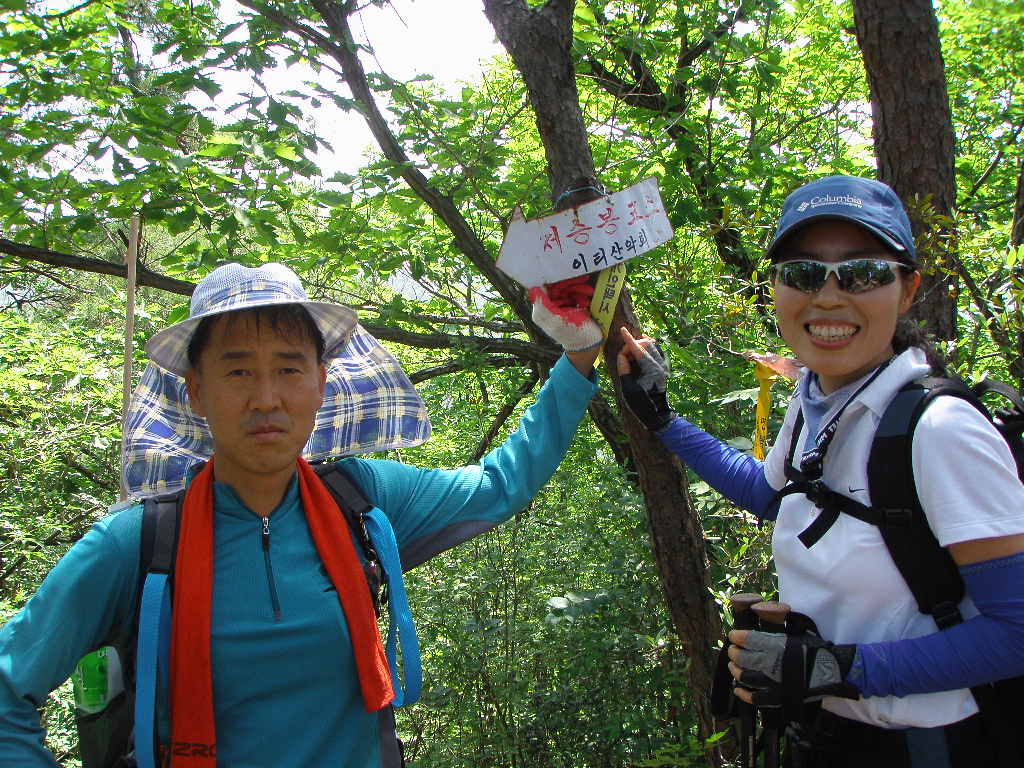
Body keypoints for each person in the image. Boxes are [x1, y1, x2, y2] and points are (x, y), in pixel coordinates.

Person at [0, 262, 603, 767]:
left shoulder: (362, 501)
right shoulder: (139, 543)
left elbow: (499, 486)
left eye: (289, 368)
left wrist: (577, 356)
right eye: (237, 370)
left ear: (321, 381)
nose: (266, 398)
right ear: (196, 392)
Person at [618, 176, 1024, 765]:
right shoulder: (818, 402)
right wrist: (662, 419)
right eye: (804, 274)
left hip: (921, 743)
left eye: (863, 273)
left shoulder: (940, 431)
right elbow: (770, 494)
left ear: (907, 289)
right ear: (777, 289)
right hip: (829, 729)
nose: (829, 298)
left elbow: (1016, 634)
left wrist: (830, 667)